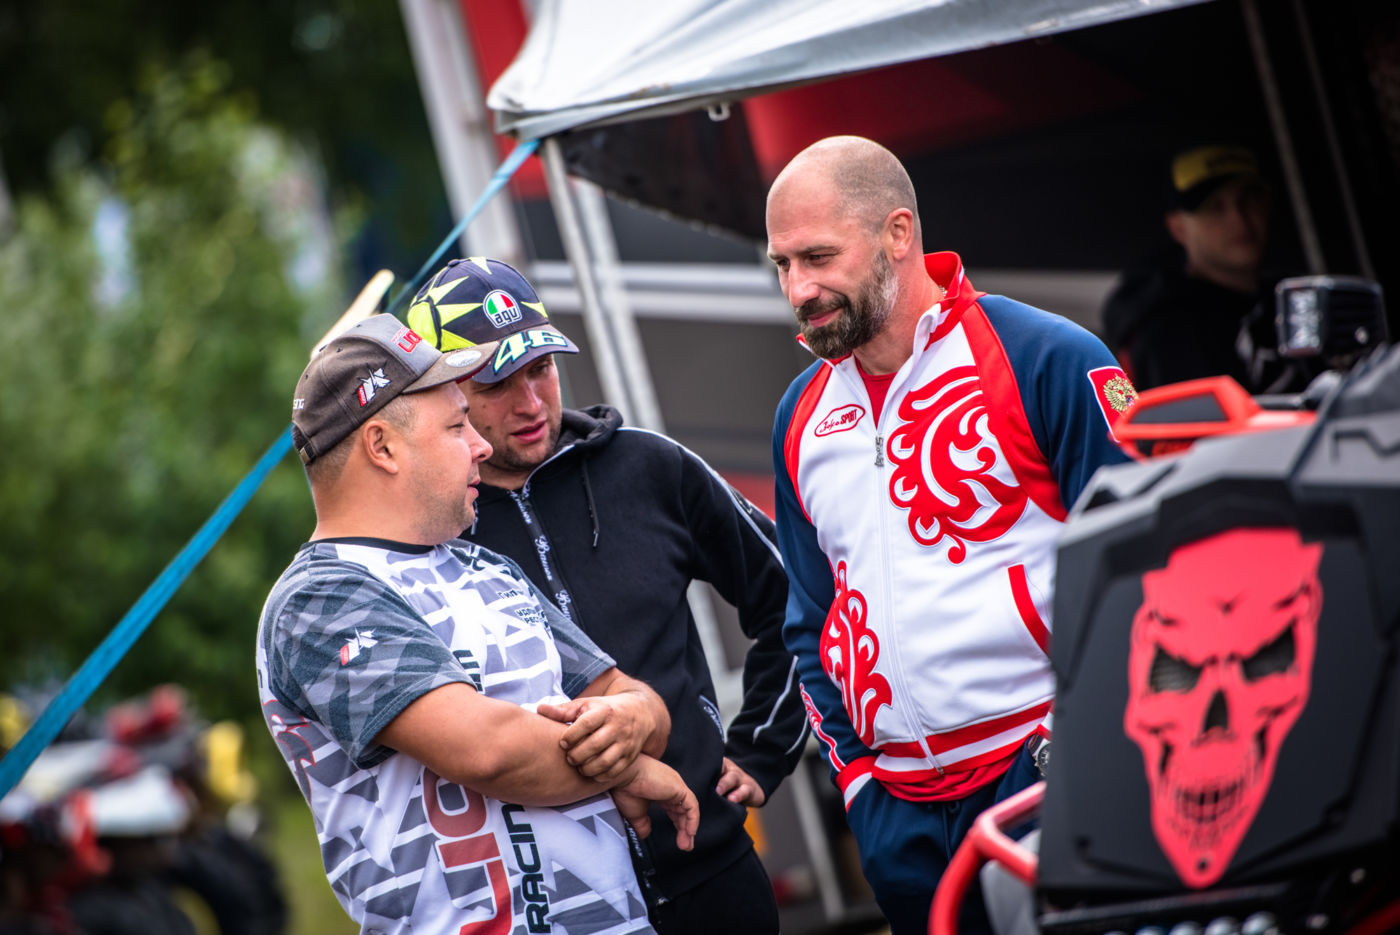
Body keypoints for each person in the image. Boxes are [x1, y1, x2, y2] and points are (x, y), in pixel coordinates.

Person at [764, 136, 1133, 935]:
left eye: (818, 257)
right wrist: (860, 785)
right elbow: (812, 621)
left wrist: (1085, 746)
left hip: (1046, 778)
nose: (799, 288)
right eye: (782, 265)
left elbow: (1143, 572)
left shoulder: (1046, 356)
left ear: (898, 233)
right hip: (899, 818)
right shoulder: (799, 416)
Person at [256, 313, 699, 935]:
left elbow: (629, 697)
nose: (482, 446)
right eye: (456, 425)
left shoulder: (486, 566)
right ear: (382, 446)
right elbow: (488, 751)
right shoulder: (319, 598)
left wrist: (637, 719)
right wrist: (632, 766)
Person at [404, 257, 808, 935]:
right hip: (560, 911)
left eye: (540, 367)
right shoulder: (428, 531)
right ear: (443, 394)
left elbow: (796, 595)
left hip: (714, 873)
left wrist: (763, 747)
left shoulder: (648, 465)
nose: (531, 402)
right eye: (496, 382)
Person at [1101, 142, 1274, 391]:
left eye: (1248, 199)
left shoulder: (1287, 295)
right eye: (1215, 207)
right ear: (1178, 228)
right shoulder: (1167, 328)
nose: (1238, 218)